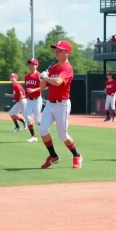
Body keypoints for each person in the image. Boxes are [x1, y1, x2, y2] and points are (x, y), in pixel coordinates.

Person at [38, 40, 83, 169]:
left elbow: (58, 82)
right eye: (56, 50)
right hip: (50, 104)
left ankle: (77, 155)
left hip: (62, 105)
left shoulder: (67, 68)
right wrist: (42, 78)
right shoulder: (53, 68)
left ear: (67, 52)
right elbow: (43, 87)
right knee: (42, 130)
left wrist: (46, 78)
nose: (56, 52)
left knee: (62, 135)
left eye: (59, 50)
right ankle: (53, 156)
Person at [24, 58, 43, 143]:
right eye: (29, 64)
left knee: (37, 120)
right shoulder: (26, 76)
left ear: (36, 65)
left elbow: (44, 87)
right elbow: (27, 88)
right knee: (27, 117)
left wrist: (34, 90)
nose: (31, 65)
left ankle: (44, 130)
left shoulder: (40, 75)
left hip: (37, 100)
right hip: (29, 100)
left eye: (32, 64)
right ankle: (33, 136)